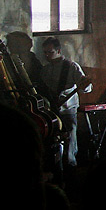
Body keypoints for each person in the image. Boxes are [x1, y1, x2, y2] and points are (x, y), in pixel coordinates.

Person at [40, 36, 92, 172]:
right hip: (51, 112)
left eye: (49, 52)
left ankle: (70, 168)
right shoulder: (45, 70)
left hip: (67, 110)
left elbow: (86, 87)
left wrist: (85, 84)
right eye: (44, 53)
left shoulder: (71, 67)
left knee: (69, 141)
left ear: (58, 51)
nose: (47, 55)